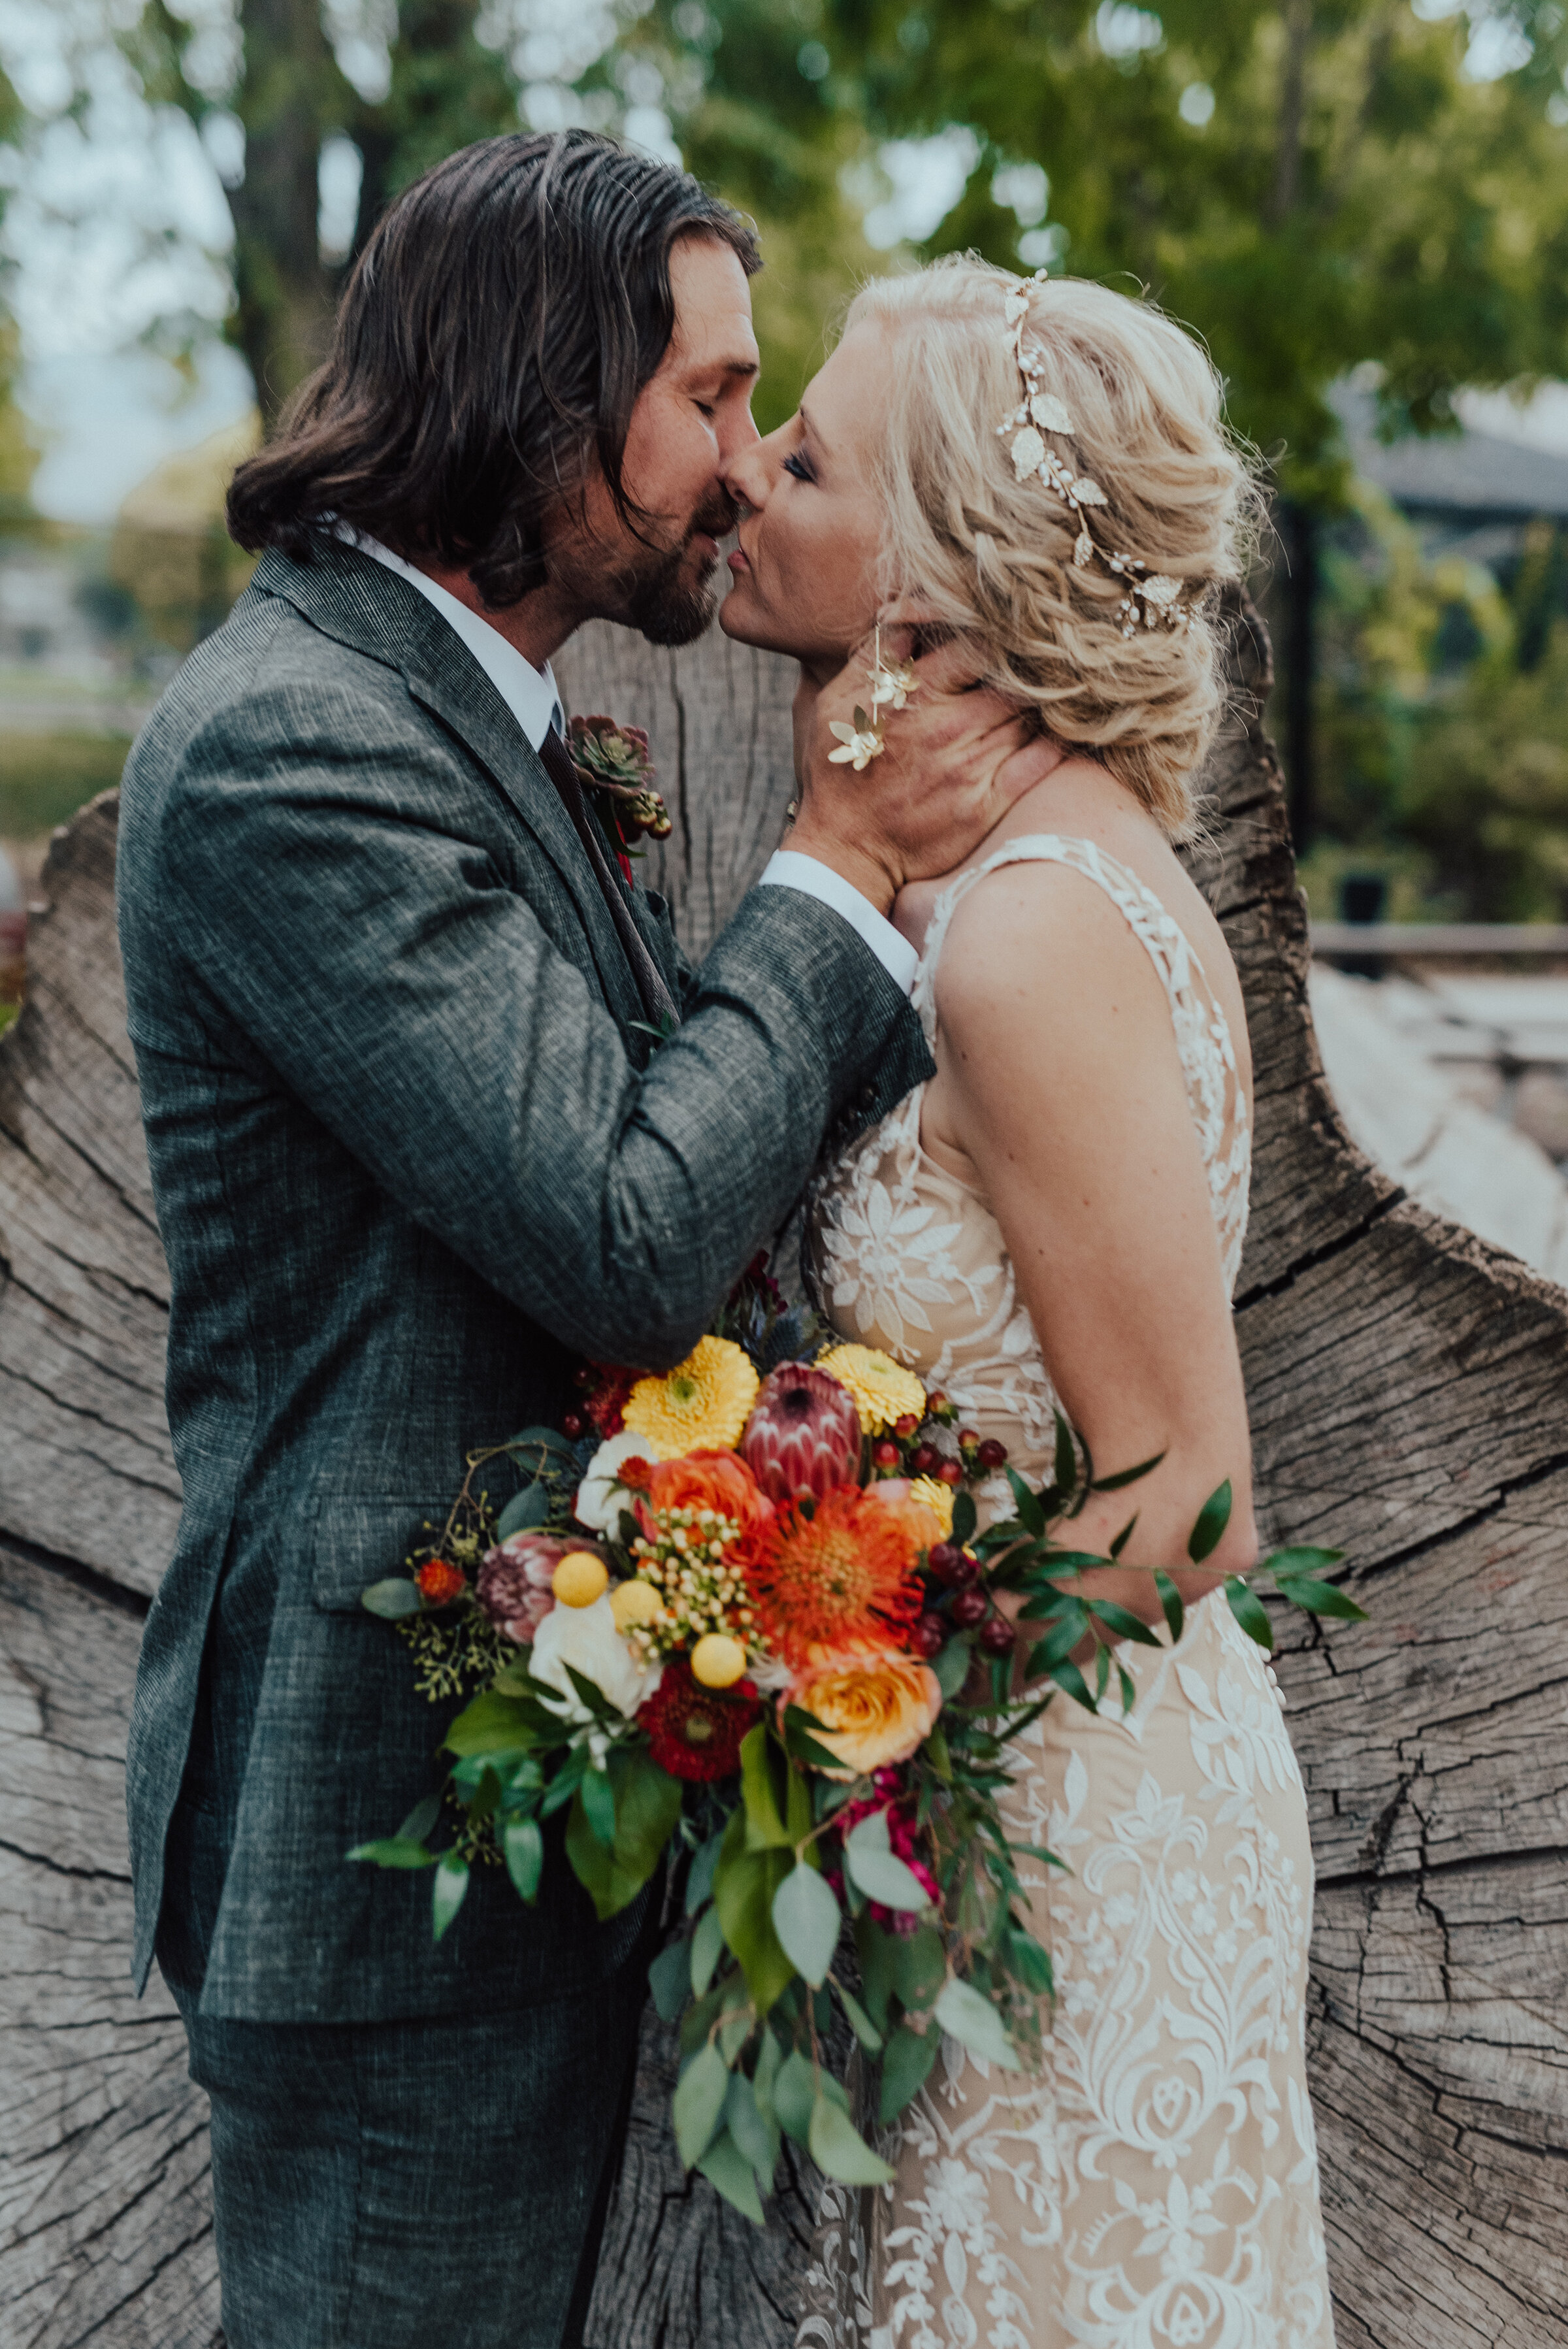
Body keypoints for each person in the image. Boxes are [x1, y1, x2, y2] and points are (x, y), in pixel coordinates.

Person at [114, 138, 1056, 2349]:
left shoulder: (487, 724)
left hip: (525, 1821)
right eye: (713, 401)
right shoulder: (293, 749)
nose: (743, 468)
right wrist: (826, 868)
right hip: (373, 1852)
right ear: (550, 397)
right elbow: (625, 1228)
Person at [719, 256, 1335, 2348]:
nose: (745, 485)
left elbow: (1187, 1501)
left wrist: (843, 1692)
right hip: (1023, 1821)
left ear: (938, 575)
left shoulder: (1028, 941)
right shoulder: (1024, 876)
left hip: (1068, 1848)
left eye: (801, 456)